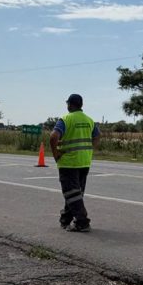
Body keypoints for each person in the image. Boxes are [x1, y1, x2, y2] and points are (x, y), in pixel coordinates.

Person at [49, 93, 100, 232]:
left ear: (70, 104)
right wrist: (90, 149)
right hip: (84, 162)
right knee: (76, 193)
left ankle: (82, 222)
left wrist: (56, 154)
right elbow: (97, 136)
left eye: (67, 104)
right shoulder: (89, 120)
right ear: (81, 105)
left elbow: (53, 137)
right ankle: (66, 218)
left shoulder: (66, 119)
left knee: (71, 193)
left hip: (69, 162)